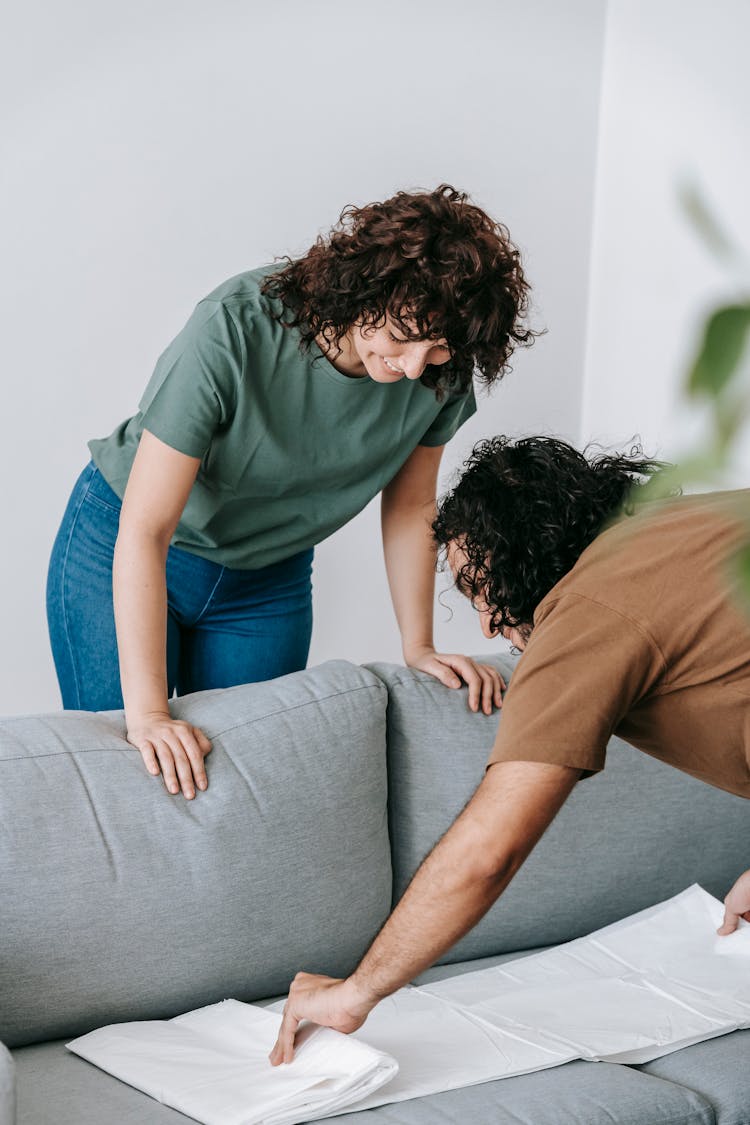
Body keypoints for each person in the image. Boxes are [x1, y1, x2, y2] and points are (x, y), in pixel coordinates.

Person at [270, 435, 750, 1064]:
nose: (490, 628)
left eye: (481, 590)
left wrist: (355, 992)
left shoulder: (586, 616)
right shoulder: (695, 522)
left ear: (522, 558)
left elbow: (488, 853)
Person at [47, 186, 534, 800]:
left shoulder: (443, 369)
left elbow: (411, 505)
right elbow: (146, 531)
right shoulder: (236, 324)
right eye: (406, 335)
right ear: (367, 285)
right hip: (128, 544)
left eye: (438, 348)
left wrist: (419, 646)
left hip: (265, 582)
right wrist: (146, 716)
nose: (414, 367)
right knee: (130, 777)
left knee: (243, 784)